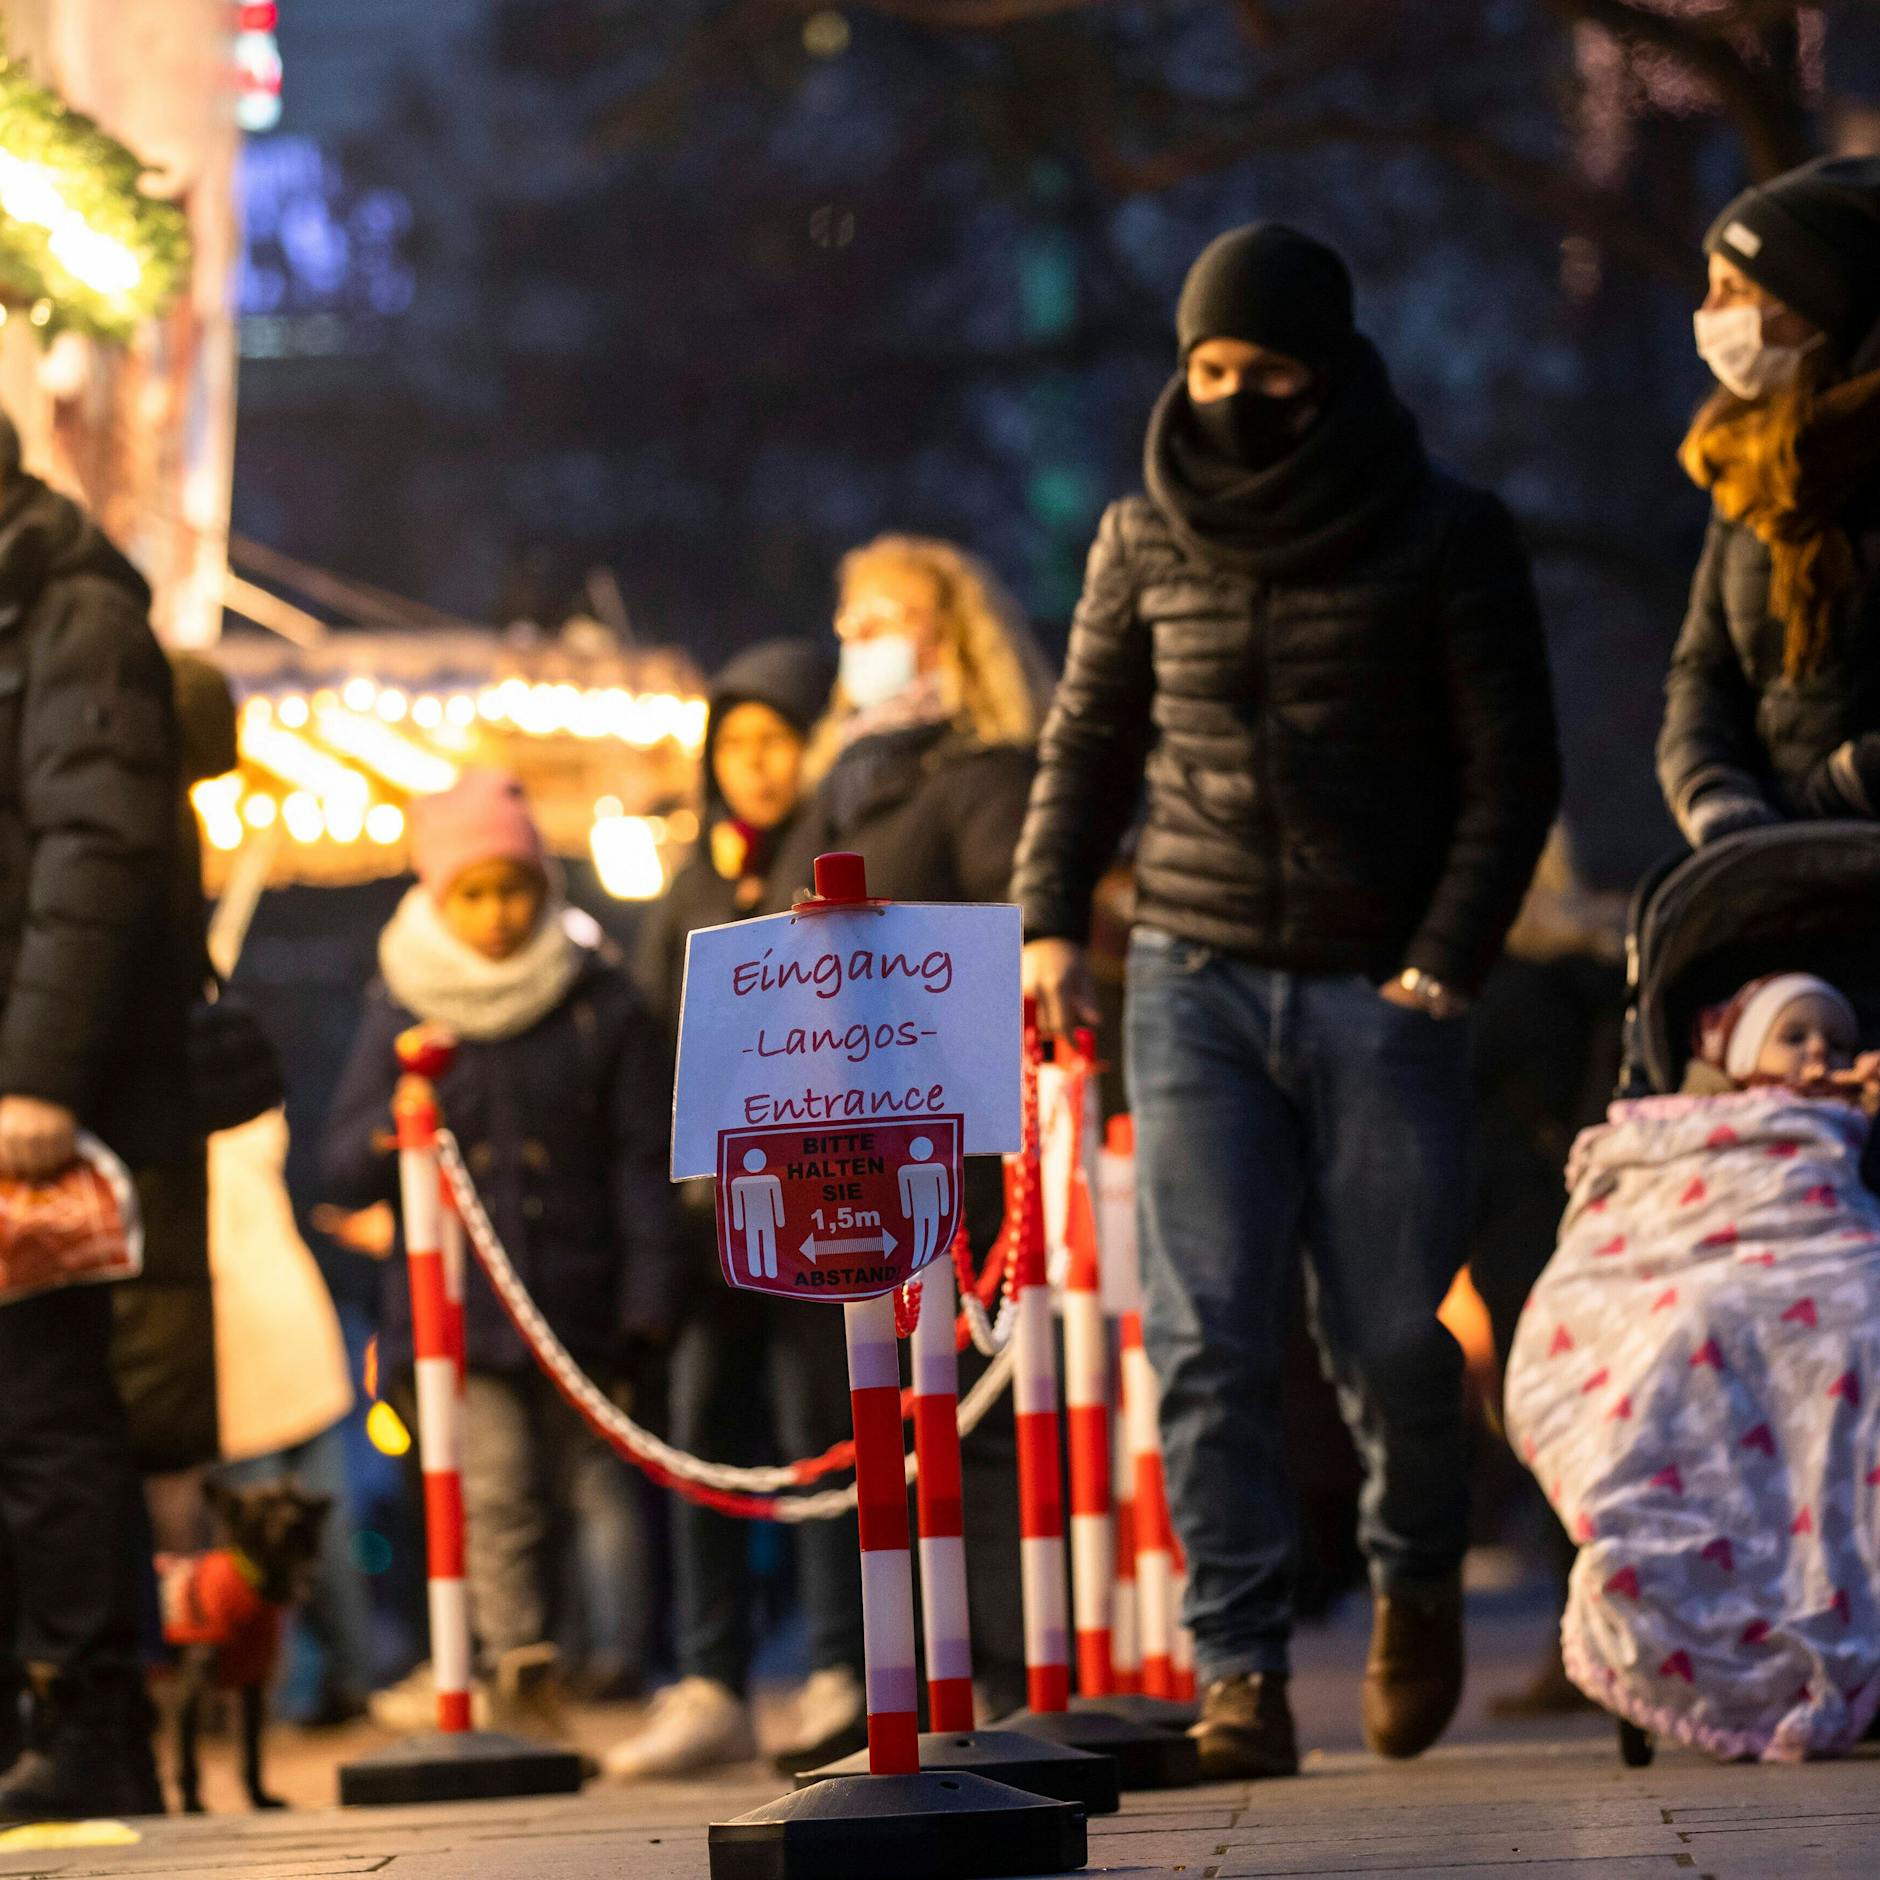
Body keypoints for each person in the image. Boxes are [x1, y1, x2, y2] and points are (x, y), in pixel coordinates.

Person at [1012, 223, 1559, 1778]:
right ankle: (1239, 1673)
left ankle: (1413, 1577)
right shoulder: (1141, 537)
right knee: (1207, 1337)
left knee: (1391, 1335)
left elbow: (1510, 773)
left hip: (1384, 980)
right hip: (1187, 973)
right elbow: (1088, 744)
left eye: (1267, 371)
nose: (1234, 396)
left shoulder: (1448, 533)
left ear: (1330, 373)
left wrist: (1443, 958)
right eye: (1208, 368)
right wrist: (1052, 922)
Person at [322, 770, 676, 1735]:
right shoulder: (403, 1005)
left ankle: (620, 1672)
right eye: (471, 892)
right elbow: (342, 1162)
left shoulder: (600, 1002)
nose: (494, 914)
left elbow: (642, 1163)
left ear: (544, 886)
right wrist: (402, 1120)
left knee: (596, 1493)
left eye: (512, 888)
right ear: (438, 896)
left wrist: (648, 1300)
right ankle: (524, 1674)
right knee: (497, 1494)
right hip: (459, 1318)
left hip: (583, 1303)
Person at [771, 534, 1052, 1728]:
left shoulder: (985, 770)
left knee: (967, 1409)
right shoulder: (832, 783)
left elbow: (1004, 936)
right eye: (853, 615)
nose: (865, 638)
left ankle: (988, 1672)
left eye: (891, 615)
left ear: (953, 633)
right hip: (834, 1140)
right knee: (870, 1410)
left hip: (948, 1141)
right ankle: (895, 1682)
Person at [1506, 973, 1880, 1760]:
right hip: (1711, 1267)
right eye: (1796, 1036)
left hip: (1832, 1266)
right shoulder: (1679, 1127)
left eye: (1836, 1042)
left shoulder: (1852, 1119)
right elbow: (1641, 1225)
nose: (1819, 1053)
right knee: (1689, 1333)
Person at [609, 637, 865, 1780]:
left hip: (822, 1204)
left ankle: (838, 1668)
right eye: (736, 742)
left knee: (820, 1434)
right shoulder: (689, 882)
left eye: (776, 739)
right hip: (712, 1218)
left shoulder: (846, 853)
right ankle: (708, 1676)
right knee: (705, 1437)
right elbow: (653, 1034)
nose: (755, 763)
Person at [0, 416, 190, 1822]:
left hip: (30, 1087)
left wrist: (38, 1075)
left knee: (40, 1406)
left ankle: (87, 1726)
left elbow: (97, 849)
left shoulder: (71, 610)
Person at [1658, 156, 1880, 846]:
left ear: (1815, 306)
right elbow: (1703, 669)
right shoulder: (1747, 470)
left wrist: (1838, 790)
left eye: (1734, 290)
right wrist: (1713, 791)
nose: (1710, 316)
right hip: (1771, 859)